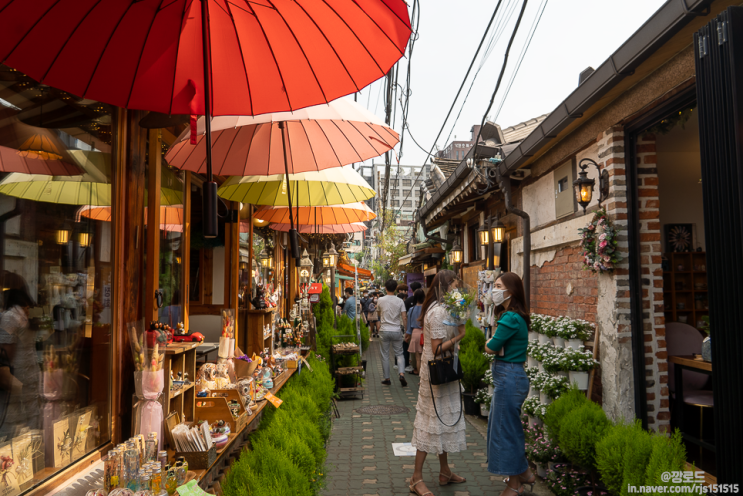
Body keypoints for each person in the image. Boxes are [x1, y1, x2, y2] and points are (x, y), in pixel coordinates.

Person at [409, 270, 467, 496]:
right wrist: (460, 335)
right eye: (454, 285)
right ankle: (416, 478)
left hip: (445, 374)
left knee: (444, 421)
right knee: (429, 425)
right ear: (445, 286)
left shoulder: (445, 309)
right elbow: (436, 349)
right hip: (436, 376)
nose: (457, 289)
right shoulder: (438, 312)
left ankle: (444, 471)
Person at [484, 272, 533, 496]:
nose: (493, 290)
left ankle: (515, 484)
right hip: (509, 376)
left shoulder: (511, 317)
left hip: (509, 376)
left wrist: (488, 342)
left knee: (506, 430)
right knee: (508, 428)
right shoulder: (511, 315)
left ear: (510, 291)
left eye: (497, 286)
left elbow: (492, 347)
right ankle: (523, 473)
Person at [377, 279, 407, 387]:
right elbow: (404, 317)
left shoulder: (380, 300)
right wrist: (407, 331)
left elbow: (379, 314)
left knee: (384, 354)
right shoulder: (400, 301)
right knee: (399, 353)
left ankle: (387, 378)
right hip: (396, 330)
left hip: (384, 330)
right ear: (396, 289)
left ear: (385, 288)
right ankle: (402, 374)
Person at [404, 288, 425, 375]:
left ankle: (420, 379)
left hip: (415, 333)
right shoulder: (426, 308)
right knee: (426, 357)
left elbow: (409, 326)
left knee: (418, 358)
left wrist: (407, 336)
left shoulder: (411, 310)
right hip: (425, 333)